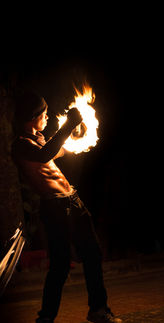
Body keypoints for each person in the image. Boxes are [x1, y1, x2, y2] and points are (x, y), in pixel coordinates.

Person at [12, 91, 122, 323]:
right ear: (34, 117)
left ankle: (98, 309)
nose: (48, 117)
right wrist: (67, 125)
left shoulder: (41, 140)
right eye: (45, 114)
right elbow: (45, 155)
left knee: (93, 254)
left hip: (73, 201)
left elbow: (59, 149)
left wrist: (76, 133)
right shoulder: (21, 144)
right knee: (60, 266)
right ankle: (46, 318)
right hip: (56, 209)